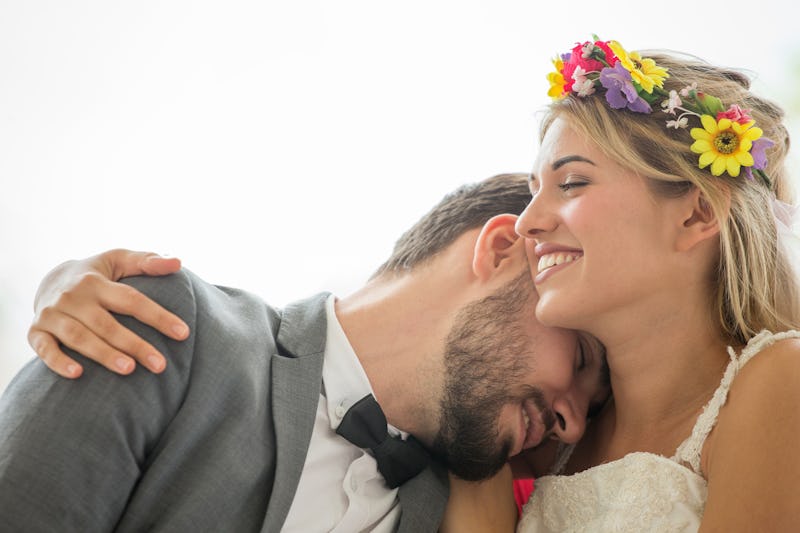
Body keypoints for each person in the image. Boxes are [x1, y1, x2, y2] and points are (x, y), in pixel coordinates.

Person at [0, 173, 609, 532]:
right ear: (503, 249)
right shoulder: (164, 325)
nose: (574, 421)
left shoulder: (468, 512)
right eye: (582, 357)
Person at [442, 38, 800, 531]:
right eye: (533, 192)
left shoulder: (782, 381)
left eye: (571, 184)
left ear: (697, 214)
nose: (526, 224)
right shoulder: (548, 440)